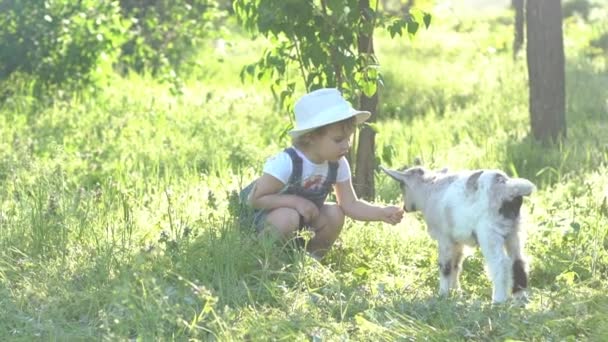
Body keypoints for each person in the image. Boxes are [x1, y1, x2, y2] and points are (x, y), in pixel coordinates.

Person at [243, 88, 404, 259]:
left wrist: (381, 213)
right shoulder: (287, 162)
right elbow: (255, 199)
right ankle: (269, 259)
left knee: (335, 213)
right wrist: (295, 202)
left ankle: (309, 260)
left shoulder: (338, 164)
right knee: (287, 216)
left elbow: (350, 204)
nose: (346, 146)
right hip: (267, 222)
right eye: (338, 140)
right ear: (311, 137)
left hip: (303, 224)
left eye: (348, 138)